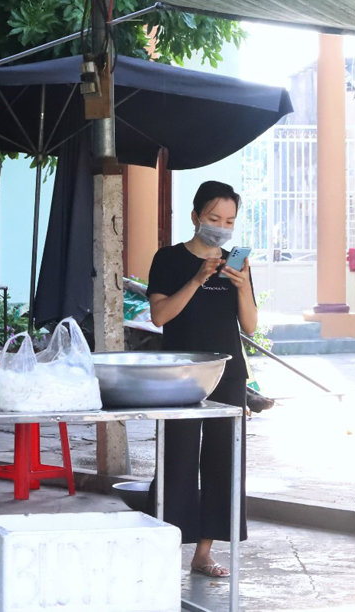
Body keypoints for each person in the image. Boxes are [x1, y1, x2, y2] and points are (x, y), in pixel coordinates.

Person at [146, 180, 257, 578]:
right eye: (213, 218)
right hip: (181, 375)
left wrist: (241, 286)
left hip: (227, 374)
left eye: (229, 220)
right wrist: (196, 278)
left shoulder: (236, 262)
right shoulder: (169, 260)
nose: (221, 227)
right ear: (195, 217)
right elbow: (160, 316)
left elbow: (250, 324)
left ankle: (204, 552)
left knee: (223, 460)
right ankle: (164, 546)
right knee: (177, 458)